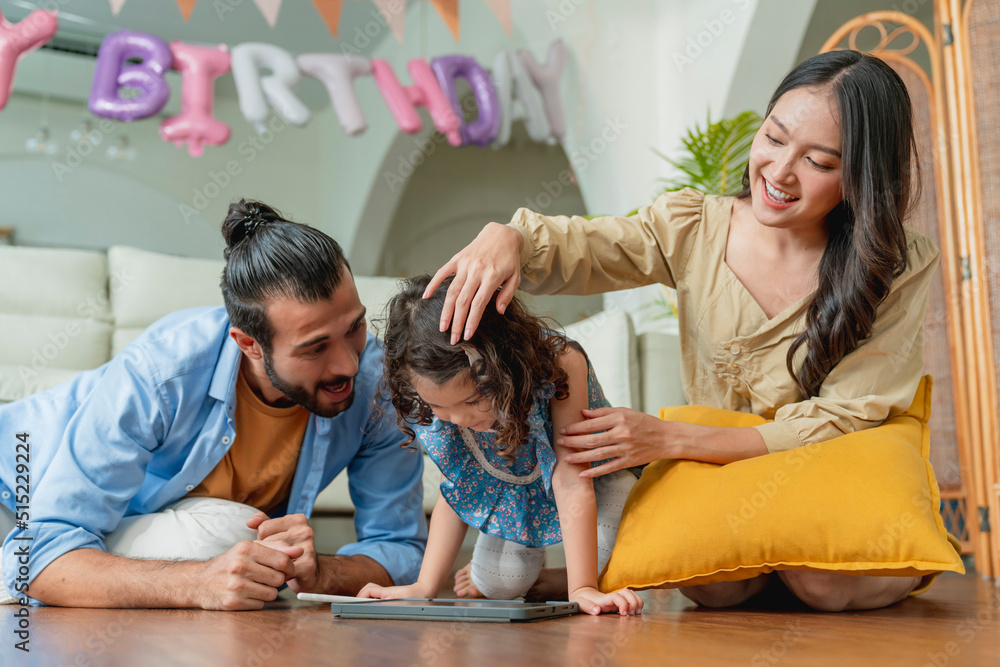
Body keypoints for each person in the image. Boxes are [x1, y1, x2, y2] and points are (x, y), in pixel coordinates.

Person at [424, 50, 942, 612]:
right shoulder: (694, 226)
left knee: (824, 582)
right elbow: (588, 248)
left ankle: (865, 567)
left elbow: (844, 416)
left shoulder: (896, 263)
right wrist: (512, 237)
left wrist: (669, 438)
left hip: (831, 460)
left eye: (818, 161)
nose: (779, 172)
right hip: (724, 471)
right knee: (712, 584)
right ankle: (761, 566)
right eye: (773, 137)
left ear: (862, 176)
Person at [0, 200, 427, 609]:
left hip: (119, 528)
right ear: (249, 344)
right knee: (229, 539)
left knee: (242, 542)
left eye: (353, 328)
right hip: (16, 491)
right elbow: (38, 554)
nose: (349, 364)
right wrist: (198, 583)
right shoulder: (160, 371)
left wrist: (324, 574)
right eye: (314, 348)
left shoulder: (376, 386)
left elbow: (400, 548)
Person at [356, 276, 643, 616]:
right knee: (499, 585)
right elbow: (458, 487)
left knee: (614, 560)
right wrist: (424, 586)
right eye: (440, 408)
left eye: (474, 399)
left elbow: (570, 478)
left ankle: (568, 580)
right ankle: (547, 580)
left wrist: (581, 589)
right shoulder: (441, 404)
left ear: (500, 366)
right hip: (517, 489)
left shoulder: (561, 363)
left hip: (592, 478)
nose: (459, 418)